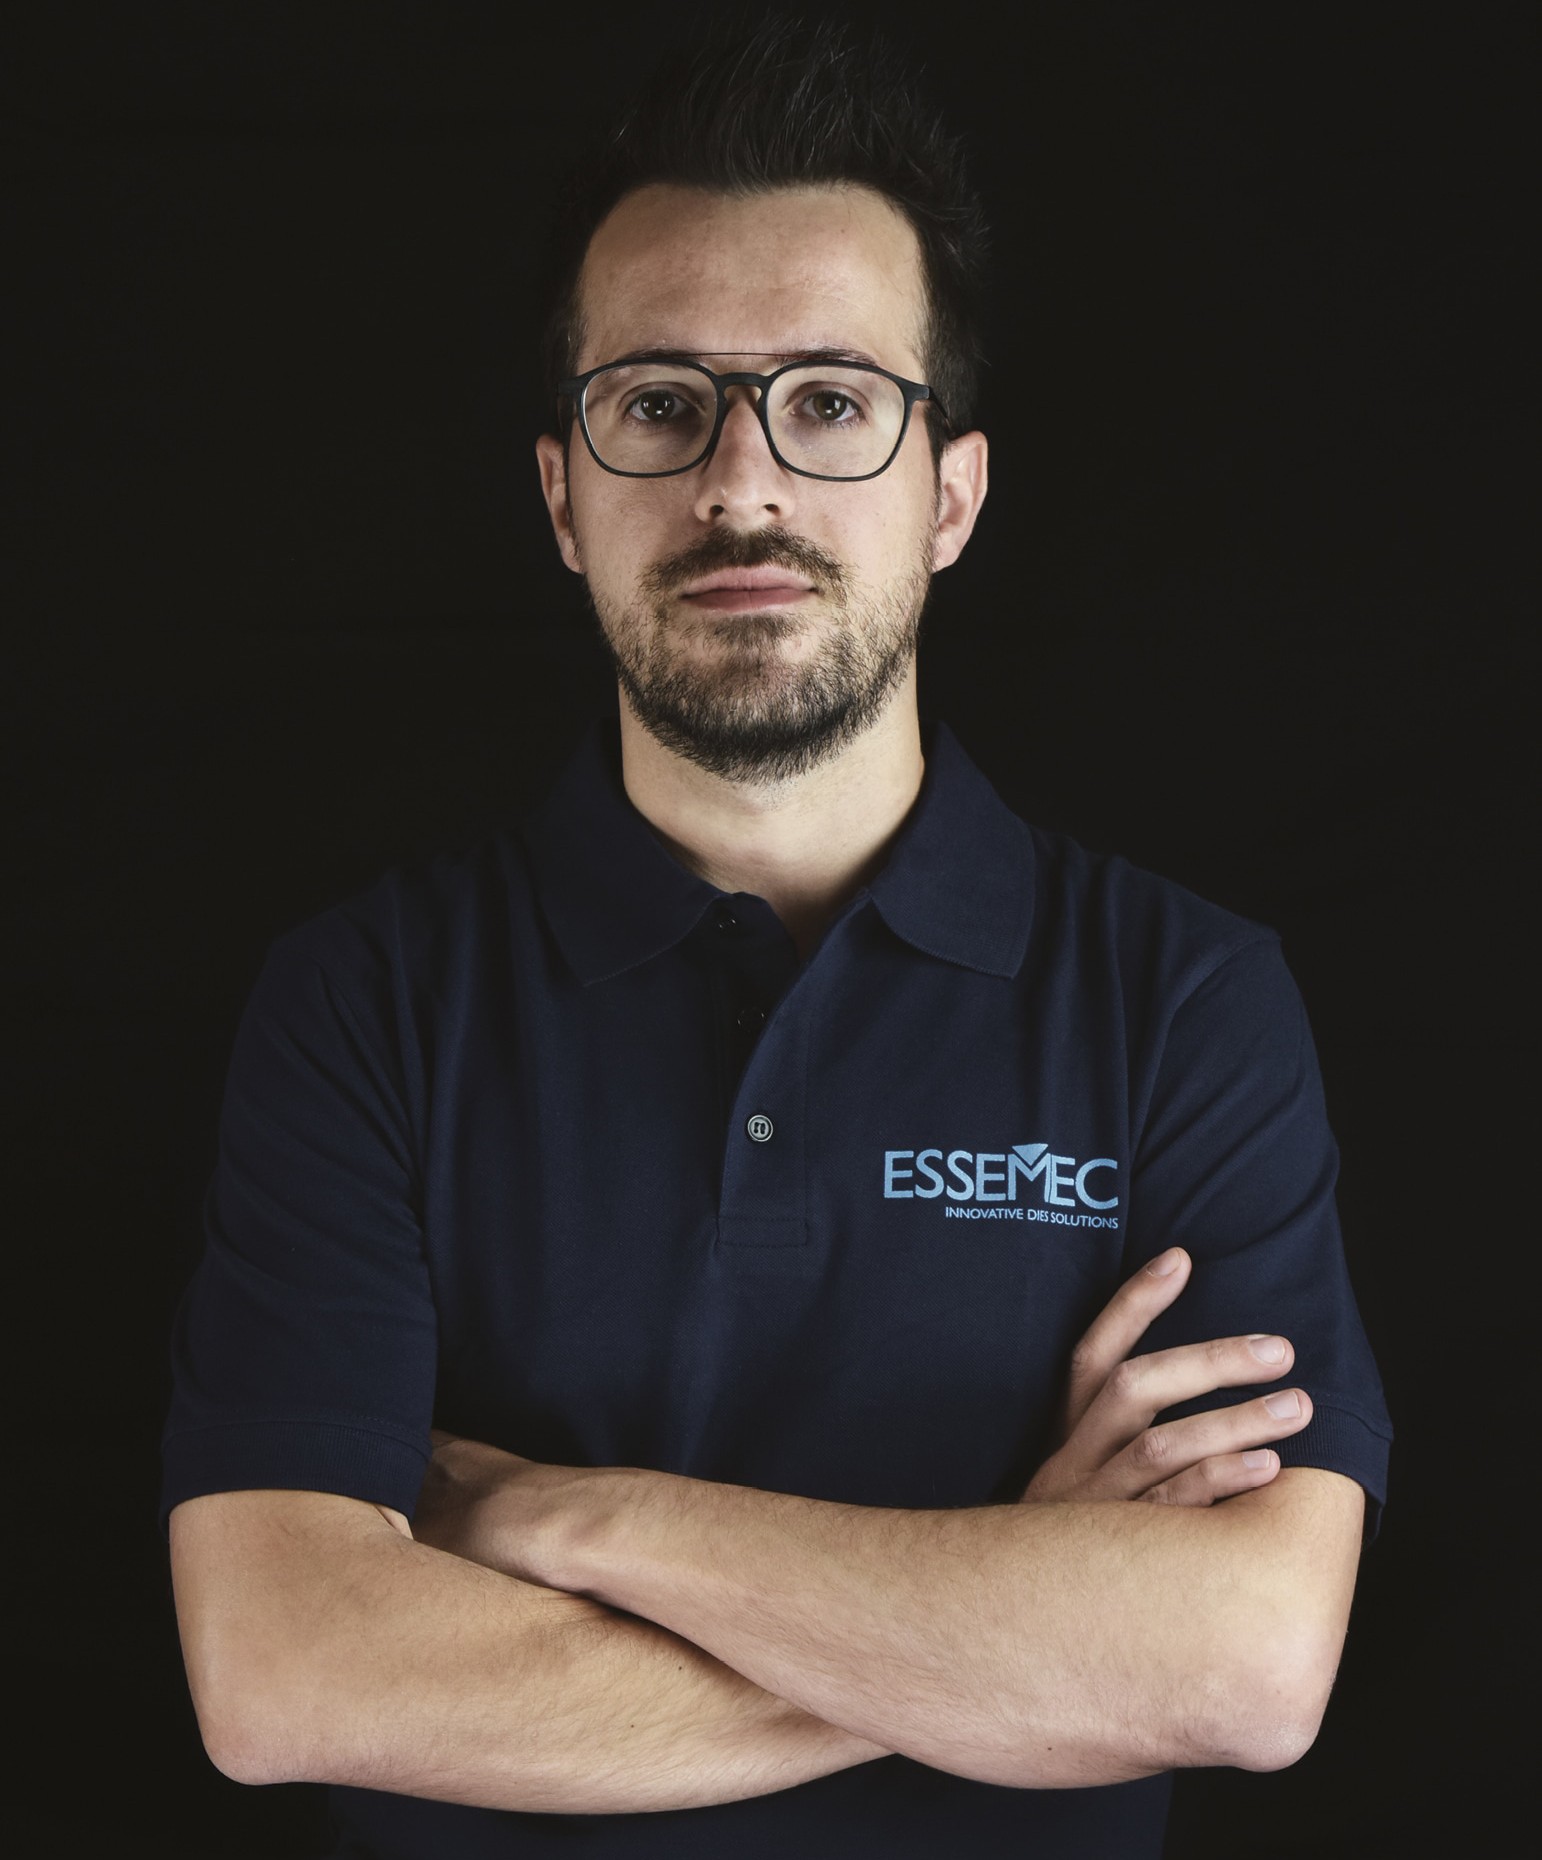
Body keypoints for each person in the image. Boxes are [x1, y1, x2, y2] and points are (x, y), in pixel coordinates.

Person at [163, 20, 1391, 1858]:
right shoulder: (368, 1001)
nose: (741, 485)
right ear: (563, 496)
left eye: (829, 404)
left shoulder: (1183, 999)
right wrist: (1019, 1622)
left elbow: (1242, 1671)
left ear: (947, 496)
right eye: (660, 405)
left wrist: (566, 1519)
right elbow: (289, 1678)